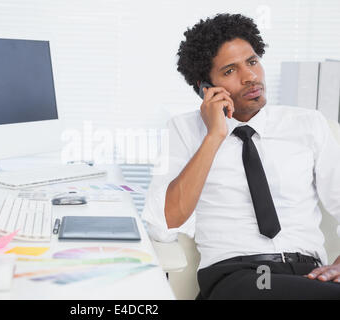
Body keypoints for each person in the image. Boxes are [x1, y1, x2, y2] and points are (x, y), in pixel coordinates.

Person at [142, 13, 340, 299]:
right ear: (205, 88)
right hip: (239, 278)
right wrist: (214, 136)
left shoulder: (308, 124)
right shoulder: (184, 130)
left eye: (252, 61)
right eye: (229, 71)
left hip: (308, 275)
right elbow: (164, 225)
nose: (250, 77)